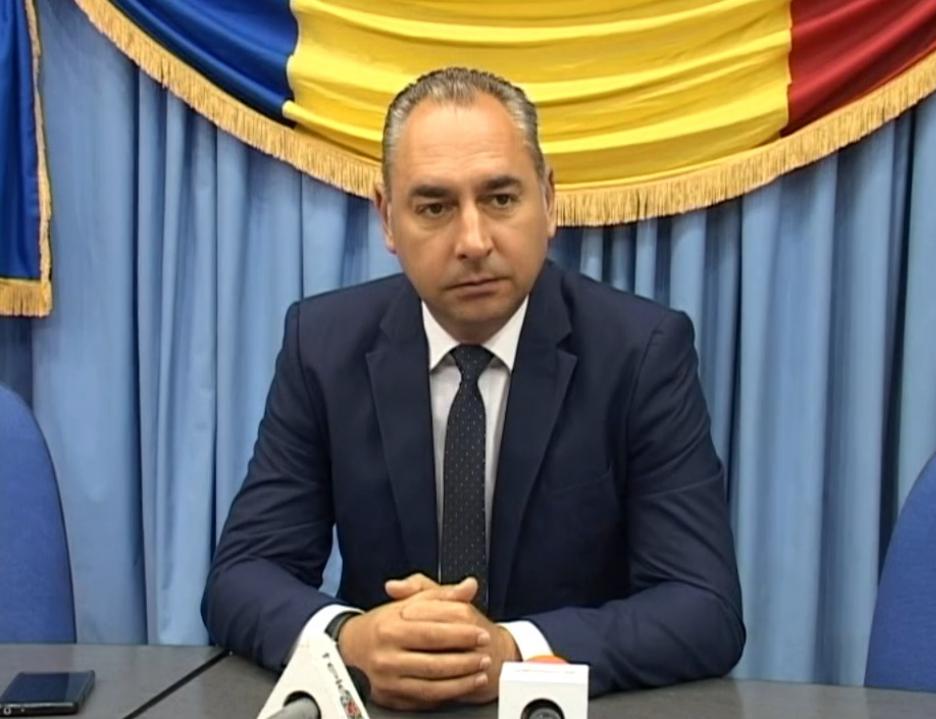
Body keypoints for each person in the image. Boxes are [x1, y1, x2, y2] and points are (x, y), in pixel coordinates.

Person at [202, 67, 745, 711]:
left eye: (501, 199)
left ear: (549, 200)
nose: (473, 241)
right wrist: (350, 638)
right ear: (387, 219)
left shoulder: (641, 352)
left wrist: (514, 652)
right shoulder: (322, 345)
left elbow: (703, 606)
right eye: (434, 208)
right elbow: (242, 576)